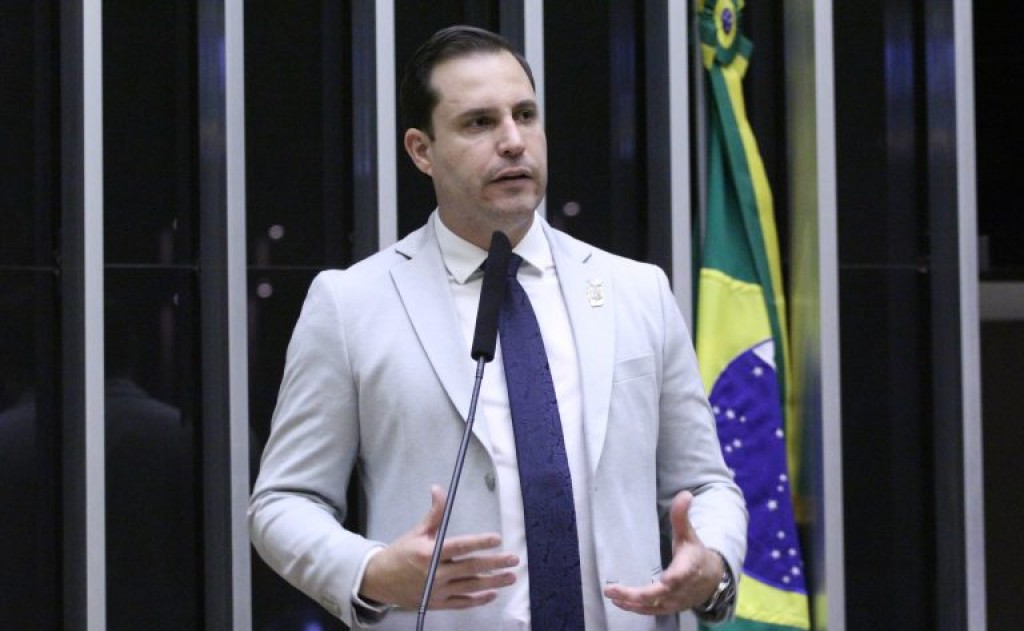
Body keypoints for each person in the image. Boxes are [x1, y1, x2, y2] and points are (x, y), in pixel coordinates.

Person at [249, 25, 746, 630]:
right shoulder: (352, 304)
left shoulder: (637, 291)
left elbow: (707, 484)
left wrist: (712, 563)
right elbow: (283, 502)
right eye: (479, 123)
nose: (513, 141)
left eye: (525, 115)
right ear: (421, 150)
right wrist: (372, 571)